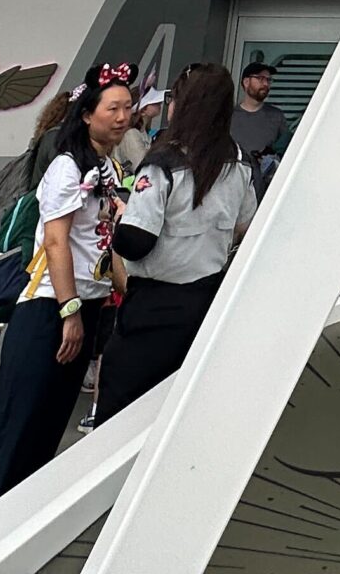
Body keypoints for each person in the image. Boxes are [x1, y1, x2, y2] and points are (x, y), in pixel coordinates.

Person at [0, 65, 134, 514]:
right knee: (18, 432)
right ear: (87, 114)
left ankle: (21, 524)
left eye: (127, 107)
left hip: (86, 305)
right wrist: (69, 311)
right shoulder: (67, 166)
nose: (123, 117)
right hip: (49, 309)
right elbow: (57, 241)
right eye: (112, 108)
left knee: (46, 431)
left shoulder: (108, 166)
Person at [92, 63, 256, 424]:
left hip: (153, 308)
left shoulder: (163, 163)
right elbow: (246, 226)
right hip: (207, 302)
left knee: (122, 414)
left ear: (183, 104)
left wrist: (120, 218)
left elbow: (136, 242)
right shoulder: (240, 161)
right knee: (180, 414)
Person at [229, 58, 289, 185]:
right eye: (260, 79)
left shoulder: (277, 117)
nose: (266, 84)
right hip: (234, 185)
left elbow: (287, 153)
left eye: (268, 80)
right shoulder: (228, 116)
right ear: (246, 82)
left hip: (266, 189)